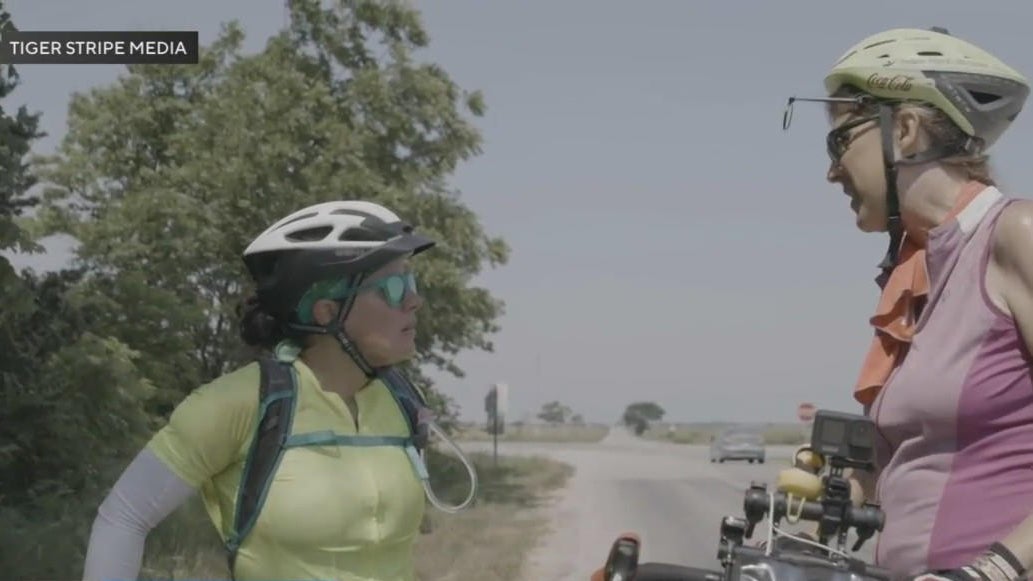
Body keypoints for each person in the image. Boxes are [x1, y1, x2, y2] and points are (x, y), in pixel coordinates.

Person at [786, 26, 1033, 581]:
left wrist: (994, 569)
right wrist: (831, 503)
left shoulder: (1016, 235)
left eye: (840, 141)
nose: (831, 171)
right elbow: (919, 460)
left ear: (905, 129)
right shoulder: (918, 271)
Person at [83, 200, 440, 581]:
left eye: (411, 283)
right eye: (394, 287)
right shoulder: (243, 403)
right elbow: (124, 517)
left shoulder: (401, 400)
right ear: (326, 311)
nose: (414, 300)